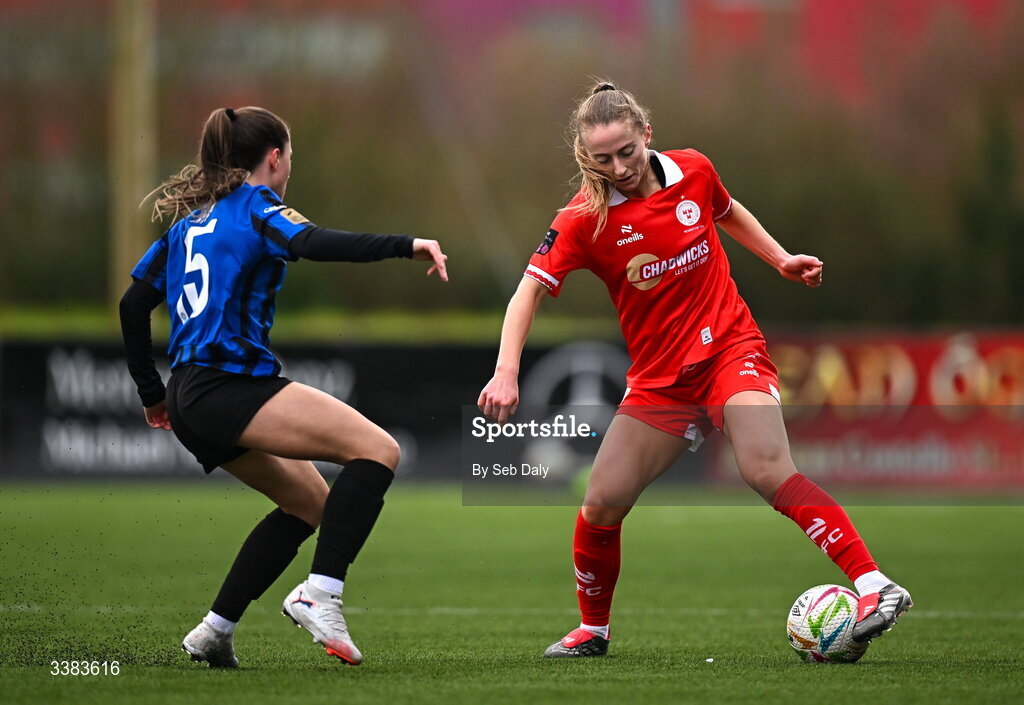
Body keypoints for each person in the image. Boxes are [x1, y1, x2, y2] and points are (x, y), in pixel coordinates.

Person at [477, 81, 912, 658]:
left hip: (732, 351)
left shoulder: (694, 170)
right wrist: (506, 369)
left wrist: (780, 258)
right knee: (601, 504)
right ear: (587, 159)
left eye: (626, 151)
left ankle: (875, 586)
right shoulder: (586, 218)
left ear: (646, 134)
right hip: (660, 383)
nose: (620, 167)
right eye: (602, 159)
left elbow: (728, 211)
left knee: (764, 467)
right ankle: (593, 631)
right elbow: (526, 294)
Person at [119, 106, 448, 667]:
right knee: (379, 451)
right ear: (275, 158)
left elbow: (132, 306)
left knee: (308, 502)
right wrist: (406, 244)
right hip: (229, 385)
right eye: (289, 156)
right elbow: (314, 242)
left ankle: (213, 631)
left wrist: (153, 395)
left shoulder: (188, 226)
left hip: (187, 393)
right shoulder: (257, 208)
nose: (289, 165)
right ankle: (320, 593)